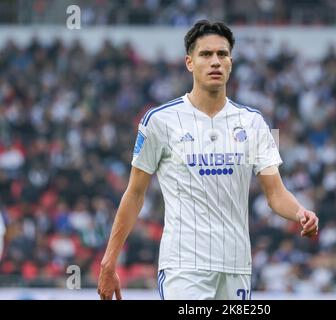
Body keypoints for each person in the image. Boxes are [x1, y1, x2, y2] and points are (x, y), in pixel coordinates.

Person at [97, 20, 319, 300]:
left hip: (236, 267)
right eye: (206, 54)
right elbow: (135, 194)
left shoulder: (254, 122)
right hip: (183, 267)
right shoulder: (159, 121)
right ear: (189, 62)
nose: (215, 61)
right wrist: (109, 261)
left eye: (222, 54)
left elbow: (275, 193)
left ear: (231, 62)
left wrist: (300, 212)